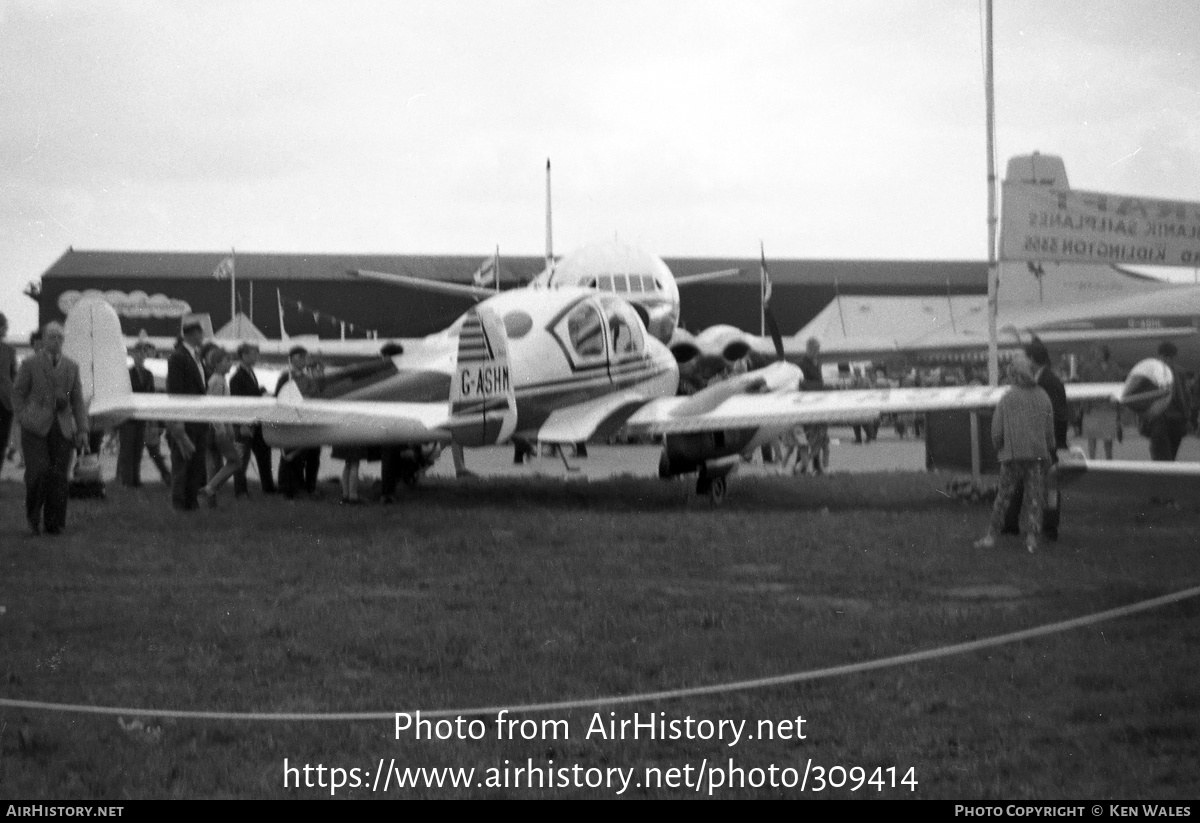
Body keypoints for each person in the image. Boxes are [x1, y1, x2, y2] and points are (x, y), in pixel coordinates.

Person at [12, 322, 89, 535]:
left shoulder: (72, 367)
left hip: (63, 428)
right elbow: (17, 393)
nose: (56, 341)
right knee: (37, 473)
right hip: (35, 428)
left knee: (58, 476)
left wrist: (82, 429)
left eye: (60, 338)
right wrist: (23, 416)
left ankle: (54, 524)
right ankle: (33, 519)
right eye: (52, 337)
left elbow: (78, 401)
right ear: (44, 340)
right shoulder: (30, 363)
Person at [974, 354, 1055, 554]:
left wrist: (998, 446)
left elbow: (997, 431)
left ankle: (991, 535)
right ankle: (1031, 539)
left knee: (1003, 497)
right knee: (1035, 498)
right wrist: (1049, 449)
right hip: (1036, 455)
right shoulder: (1043, 396)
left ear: (1014, 374)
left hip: (1012, 455)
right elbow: (1049, 430)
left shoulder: (1007, 398)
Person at [166, 321, 210, 510]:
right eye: (201, 334)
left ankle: (191, 502)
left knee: (196, 465)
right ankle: (179, 503)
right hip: (185, 419)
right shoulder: (178, 357)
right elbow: (175, 390)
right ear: (192, 334)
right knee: (182, 464)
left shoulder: (196, 357)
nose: (202, 338)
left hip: (199, 419)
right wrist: (178, 421)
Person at [117, 338, 171, 486]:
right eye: (138, 354)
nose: (140, 357)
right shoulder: (127, 374)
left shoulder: (148, 374)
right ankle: (127, 481)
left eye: (143, 354)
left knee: (138, 450)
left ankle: (136, 479)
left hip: (142, 418)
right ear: (133, 356)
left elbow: (151, 395)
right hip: (128, 418)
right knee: (127, 451)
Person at [228, 343, 276, 497]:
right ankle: (240, 490)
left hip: (255, 422)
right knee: (242, 458)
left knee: (264, 453)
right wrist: (242, 424)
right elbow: (237, 403)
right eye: (254, 354)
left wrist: (260, 391)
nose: (256, 357)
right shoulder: (237, 377)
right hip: (245, 423)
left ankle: (268, 487)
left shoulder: (250, 373)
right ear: (244, 355)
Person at [199, 348, 243, 506]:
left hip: (216, 428)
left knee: (215, 464)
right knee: (235, 461)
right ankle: (209, 489)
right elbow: (214, 407)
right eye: (227, 360)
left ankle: (210, 501)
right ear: (217, 364)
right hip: (217, 429)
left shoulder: (221, 380)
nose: (230, 363)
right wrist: (223, 428)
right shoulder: (217, 381)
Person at [276, 346, 321, 498]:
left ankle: (309, 487)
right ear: (294, 359)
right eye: (301, 358)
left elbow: (316, 395)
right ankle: (287, 488)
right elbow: (279, 397)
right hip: (293, 421)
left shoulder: (308, 377)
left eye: (305, 357)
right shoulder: (286, 376)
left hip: (309, 420)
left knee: (312, 456)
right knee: (290, 456)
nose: (304, 361)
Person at [1147, 341, 1196, 461]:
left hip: (1162, 421)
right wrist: (1188, 418)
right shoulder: (1180, 372)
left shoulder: (1152, 373)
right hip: (1175, 421)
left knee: (1163, 459)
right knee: (1170, 458)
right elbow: (1186, 398)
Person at [1077, 344, 1122, 460]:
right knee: (1092, 438)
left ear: (1105, 353)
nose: (1097, 355)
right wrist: (1084, 407)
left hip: (1109, 408)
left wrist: (1119, 409)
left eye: (1099, 352)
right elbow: (1084, 387)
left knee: (1108, 440)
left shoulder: (1115, 368)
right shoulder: (1088, 368)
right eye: (1095, 353)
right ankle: (1092, 462)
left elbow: (1118, 388)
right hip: (1093, 409)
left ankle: (1109, 462)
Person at [797, 338, 830, 474]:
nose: (817, 352)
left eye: (818, 349)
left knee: (819, 438)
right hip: (808, 404)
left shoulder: (817, 363)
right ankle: (802, 466)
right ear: (809, 348)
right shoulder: (801, 364)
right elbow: (801, 383)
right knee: (807, 438)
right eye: (815, 349)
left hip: (818, 403)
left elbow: (818, 380)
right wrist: (821, 386)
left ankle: (815, 466)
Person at [0, 313, 15, 471]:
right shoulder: (9, 350)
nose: (6, 329)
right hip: (5, 398)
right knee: (2, 439)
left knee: (3, 439)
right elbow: (13, 375)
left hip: (5, 400)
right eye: (4, 326)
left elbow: (13, 375)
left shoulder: (9, 350)